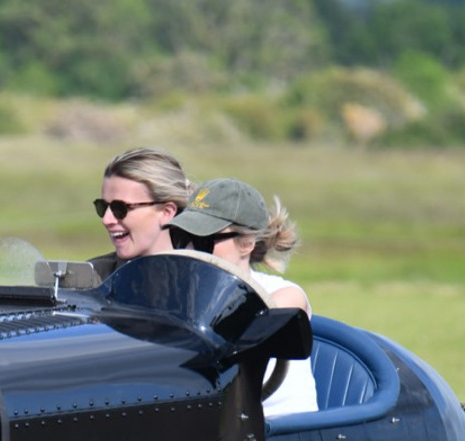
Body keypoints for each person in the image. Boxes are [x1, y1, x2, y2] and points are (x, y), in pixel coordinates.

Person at [168, 177, 318, 416]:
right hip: (219, 426)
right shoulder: (179, 299)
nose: (188, 250)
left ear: (247, 242)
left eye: (203, 241)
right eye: (181, 238)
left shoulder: (285, 293)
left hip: (284, 430)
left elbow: (247, 329)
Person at [87, 147, 194, 281]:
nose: (106, 220)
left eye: (120, 208)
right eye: (102, 207)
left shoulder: (201, 281)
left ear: (166, 212)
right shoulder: (91, 279)